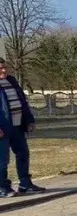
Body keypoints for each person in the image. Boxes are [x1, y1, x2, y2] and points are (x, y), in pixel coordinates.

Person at [0, 56, 45, 197]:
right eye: (0, 68)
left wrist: (29, 119)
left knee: (23, 153)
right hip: (3, 128)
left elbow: (22, 101)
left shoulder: (11, 81)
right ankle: (3, 187)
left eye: (4, 66)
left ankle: (25, 184)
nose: (4, 69)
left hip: (17, 125)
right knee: (2, 159)